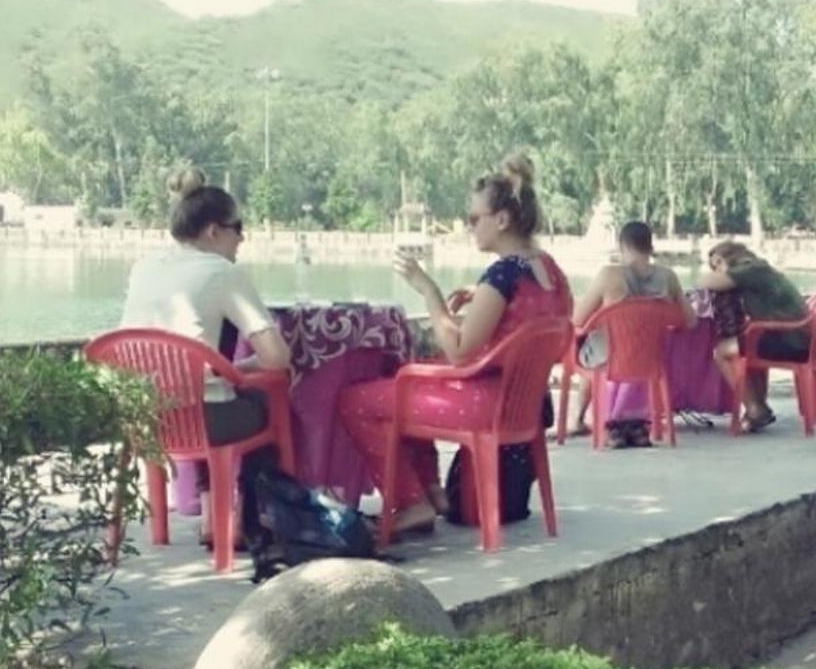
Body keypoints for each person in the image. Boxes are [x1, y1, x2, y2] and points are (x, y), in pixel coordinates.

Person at [337, 153, 572, 534]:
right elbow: (529, 320)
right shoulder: (549, 269)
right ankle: (431, 493)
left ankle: (412, 502)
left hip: (486, 403)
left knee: (355, 401)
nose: (469, 226)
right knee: (403, 379)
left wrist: (429, 291)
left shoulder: (503, 274)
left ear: (502, 220)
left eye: (475, 218)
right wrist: (481, 297)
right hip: (524, 404)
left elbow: (459, 352)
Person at [118, 169, 291, 538]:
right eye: (238, 227)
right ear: (214, 231)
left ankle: (211, 518)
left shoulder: (143, 266)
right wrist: (234, 370)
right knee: (266, 401)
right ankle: (245, 523)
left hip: (144, 418)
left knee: (209, 390)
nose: (242, 237)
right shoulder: (221, 272)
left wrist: (221, 370)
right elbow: (277, 358)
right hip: (201, 419)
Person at [568, 219, 694, 446]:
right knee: (601, 347)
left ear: (622, 246)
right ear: (651, 246)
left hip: (611, 358)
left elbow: (578, 319)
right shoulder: (669, 277)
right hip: (651, 358)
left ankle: (580, 419)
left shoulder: (609, 275)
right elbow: (690, 321)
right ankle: (635, 422)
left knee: (588, 348)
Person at [699, 239, 809, 433]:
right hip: (797, 338)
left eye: (716, 265)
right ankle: (759, 405)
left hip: (789, 341)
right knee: (744, 345)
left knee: (722, 352)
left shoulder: (748, 270)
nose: (716, 270)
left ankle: (755, 408)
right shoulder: (759, 268)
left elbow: (708, 282)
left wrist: (714, 272)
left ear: (724, 258)